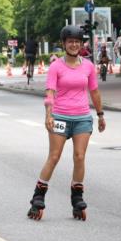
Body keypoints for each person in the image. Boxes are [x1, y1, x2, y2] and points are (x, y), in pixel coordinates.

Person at [28, 25, 106, 221]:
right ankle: (38, 198)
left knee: (79, 157)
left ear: (81, 45)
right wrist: (49, 115)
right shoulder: (56, 66)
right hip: (60, 117)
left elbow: (94, 92)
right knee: (54, 156)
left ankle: (77, 199)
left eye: (77, 42)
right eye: (70, 41)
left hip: (81, 118)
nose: (74, 44)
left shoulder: (88, 66)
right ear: (64, 44)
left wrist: (100, 114)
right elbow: (50, 93)